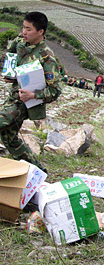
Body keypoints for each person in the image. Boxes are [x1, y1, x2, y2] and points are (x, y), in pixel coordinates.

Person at [0, 12, 62, 172]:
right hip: (13, 97)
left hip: (25, 104)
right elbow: (11, 50)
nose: (24, 32)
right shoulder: (21, 42)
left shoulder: (46, 57)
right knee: (9, 139)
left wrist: (33, 95)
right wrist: (11, 73)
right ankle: (39, 172)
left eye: (28, 29)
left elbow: (54, 90)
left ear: (40, 31)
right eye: (23, 27)